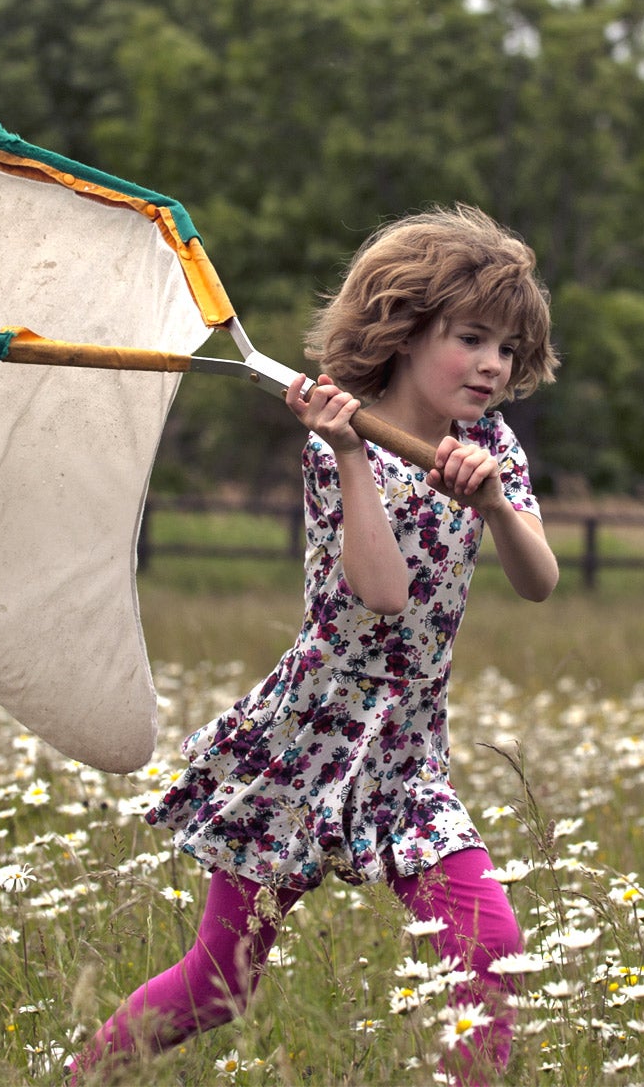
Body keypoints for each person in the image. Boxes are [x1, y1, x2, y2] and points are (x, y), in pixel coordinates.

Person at [73, 206, 561, 1084]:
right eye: (472, 338)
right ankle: (83, 1076)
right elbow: (381, 594)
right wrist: (348, 455)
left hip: (407, 753)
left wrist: (494, 505)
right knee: (221, 985)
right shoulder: (339, 440)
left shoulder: (492, 447)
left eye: (509, 350)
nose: (493, 365)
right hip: (307, 741)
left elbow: (540, 579)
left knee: (489, 942)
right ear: (408, 332)